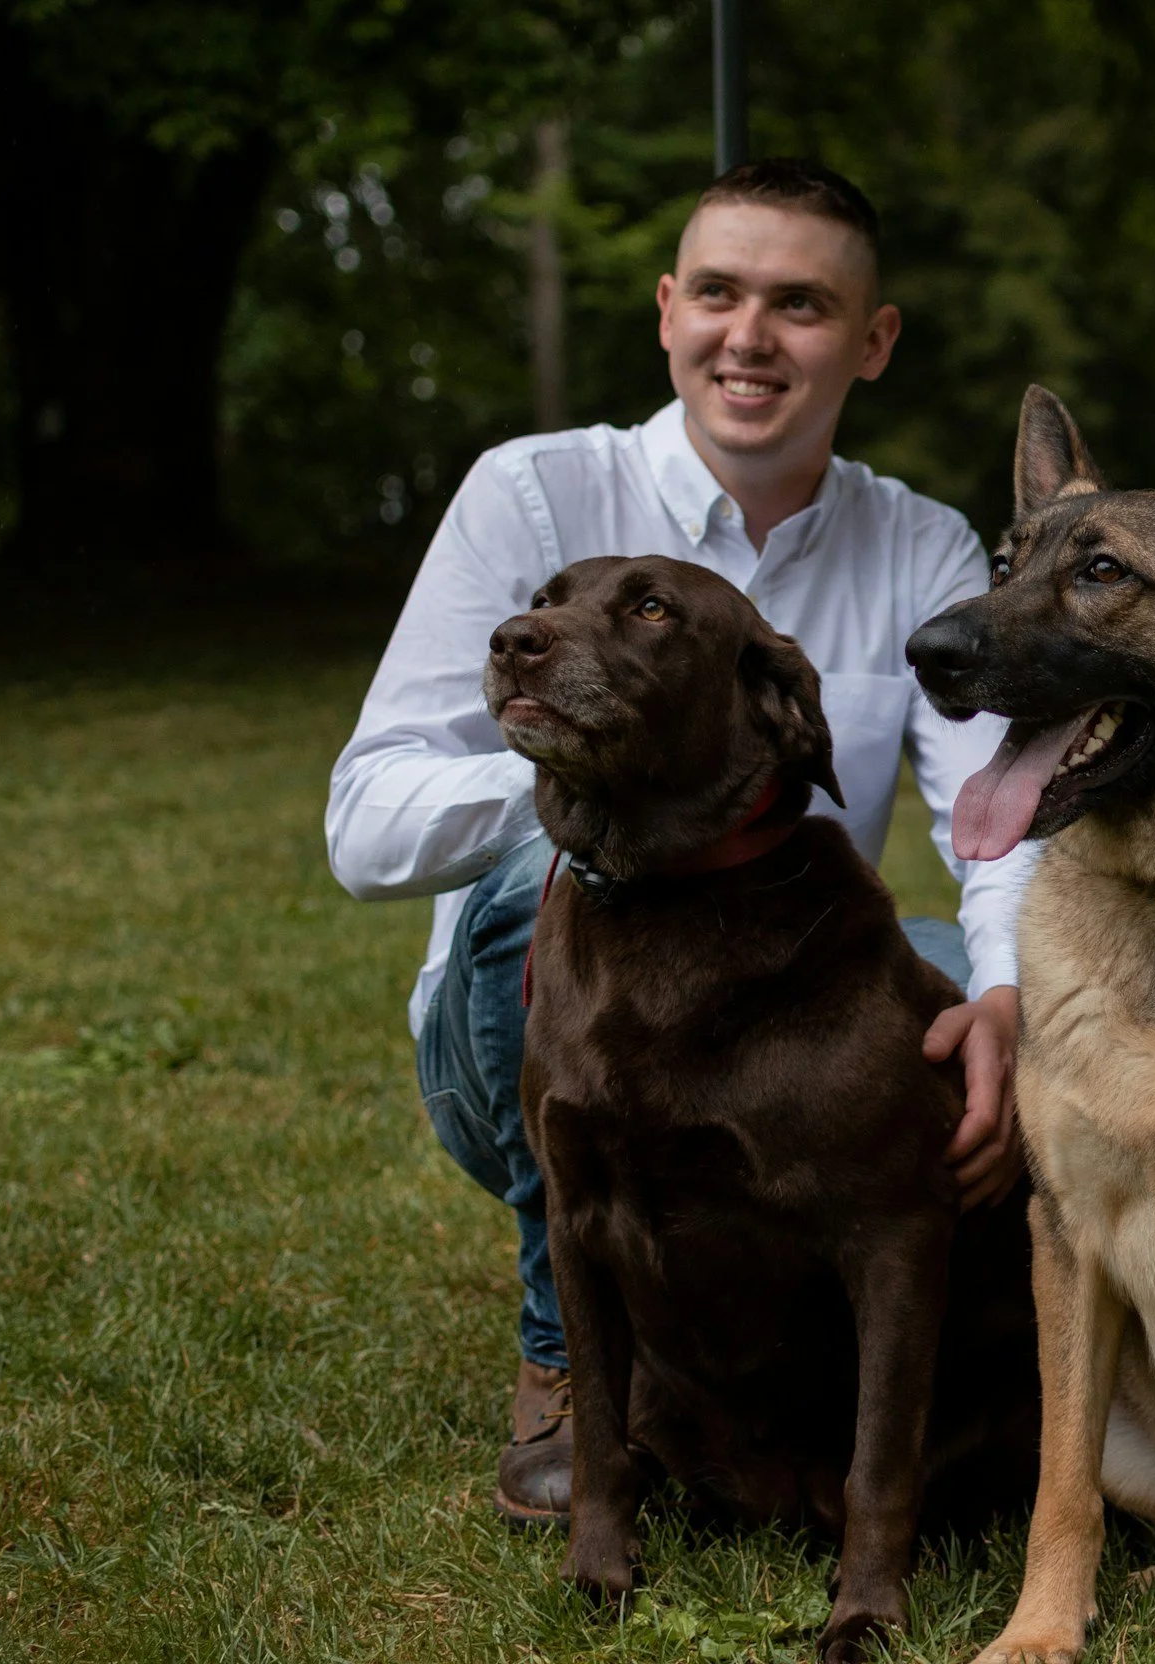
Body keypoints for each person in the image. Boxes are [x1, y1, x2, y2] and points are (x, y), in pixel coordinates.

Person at [325, 158, 1037, 1528]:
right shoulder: (536, 496)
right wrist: (611, 784)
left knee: (941, 977)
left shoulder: (922, 548)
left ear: (872, 340)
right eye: (717, 293)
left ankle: (869, 1382)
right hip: (537, 1050)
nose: (749, 337)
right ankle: (568, 1359)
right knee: (572, 860)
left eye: (801, 304)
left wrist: (1009, 1001)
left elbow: (995, 830)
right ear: (666, 312)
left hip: (768, 1042)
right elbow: (368, 824)